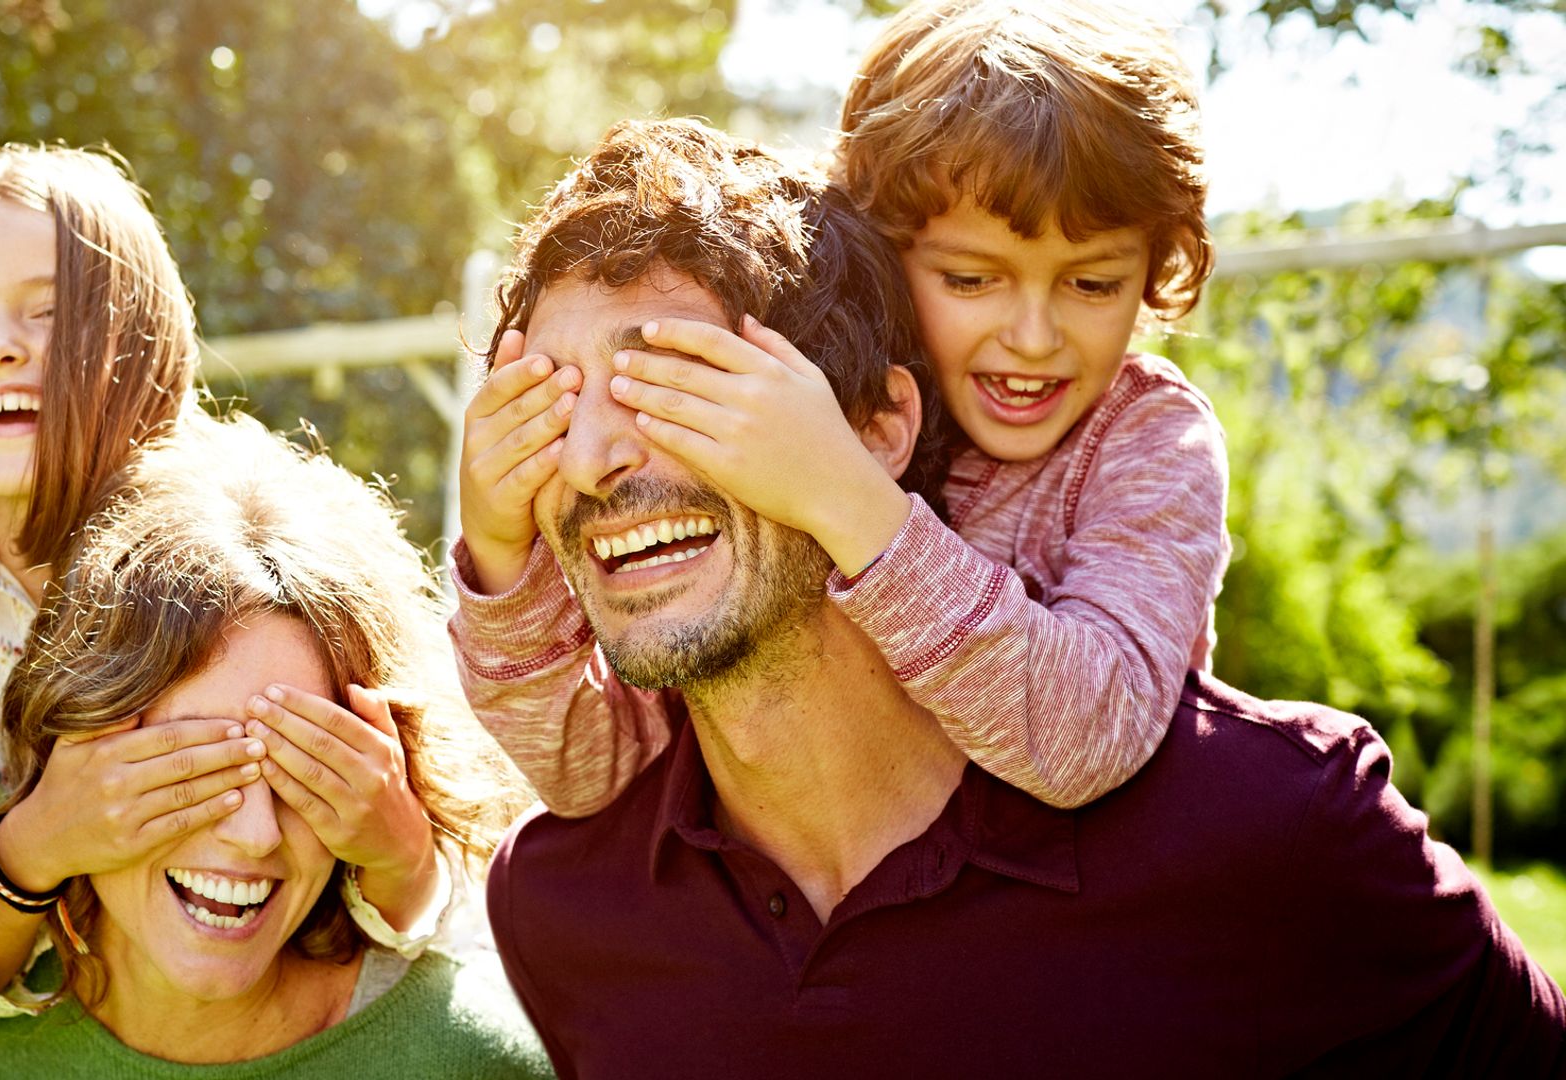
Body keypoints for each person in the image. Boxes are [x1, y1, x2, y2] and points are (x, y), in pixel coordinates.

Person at [478, 117, 1565, 1076]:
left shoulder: (1286, 834)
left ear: (877, 431)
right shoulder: (559, 916)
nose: (591, 458)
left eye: (676, 384)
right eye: (546, 404)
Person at [453, 0, 1228, 814]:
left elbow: (1086, 737)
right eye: (970, 279)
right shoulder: (798, 427)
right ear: (884, 247)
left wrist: (842, 491)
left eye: (1094, 284)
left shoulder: (1149, 441)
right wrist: (504, 561)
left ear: (1151, 274)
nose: (1034, 337)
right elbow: (596, 771)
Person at [0, 146, 447, 1031]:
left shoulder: (260, 545)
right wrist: (40, 843)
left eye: (48, 312)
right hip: (70, 1025)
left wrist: (398, 851)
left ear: (136, 343)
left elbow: (454, 874)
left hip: (297, 1017)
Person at [0, 415, 549, 1077]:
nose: (253, 834)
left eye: (304, 772)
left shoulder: (478, 1061)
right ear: (70, 740)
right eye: (194, 767)